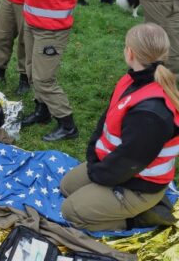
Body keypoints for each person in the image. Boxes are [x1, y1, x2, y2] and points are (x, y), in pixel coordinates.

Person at [61, 23, 179, 231]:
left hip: (140, 185)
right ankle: (107, 196)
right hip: (118, 165)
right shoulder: (131, 79)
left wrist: (99, 175)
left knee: (72, 212)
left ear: (130, 52)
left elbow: (131, 161)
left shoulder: (150, 113)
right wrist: (93, 159)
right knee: (66, 187)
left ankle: (142, 217)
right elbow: (106, 120)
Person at [15, 0, 78, 141]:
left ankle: (67, 124)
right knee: (32, 70)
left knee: (44, 78)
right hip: (36, 23)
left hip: (51, 28)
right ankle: (42, 111)